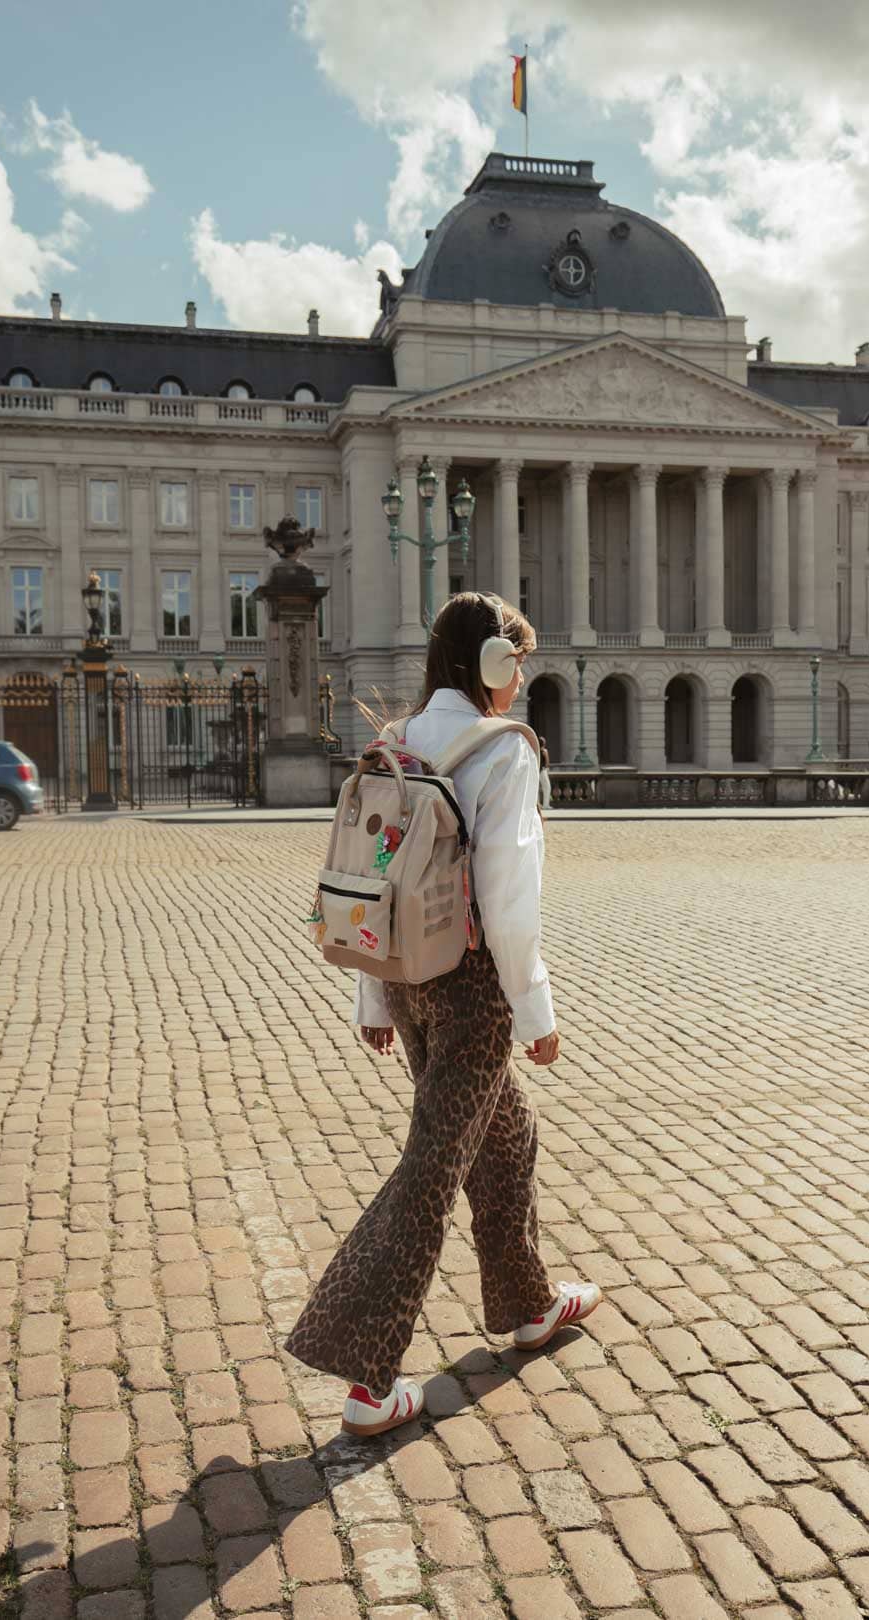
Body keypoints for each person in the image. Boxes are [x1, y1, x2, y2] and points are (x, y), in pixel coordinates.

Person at [284, 592, 601, 1437]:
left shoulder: (393, 741)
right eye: (518, 660)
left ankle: (530, 1303)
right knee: (432, 1169)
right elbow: (508, 902)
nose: (523, 677)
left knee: (507, 1138)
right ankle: (367, 1377)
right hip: (469, 991)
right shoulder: (506, 752)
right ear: (496, 665)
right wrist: (535, 1012)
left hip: (408, 977)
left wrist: (373, 993)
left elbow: (367, 877)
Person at [538, 734, 553, 810]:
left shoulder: (535, 750)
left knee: (536, 789)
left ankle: (537, 805)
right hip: (543, 771)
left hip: (536, 770)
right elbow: (547, 763)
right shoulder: (544, 751)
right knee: (547, 787)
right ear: (544, 743)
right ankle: (545, 805)